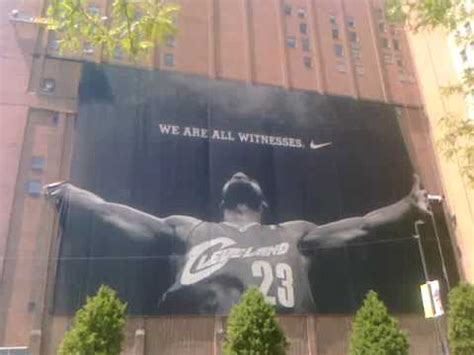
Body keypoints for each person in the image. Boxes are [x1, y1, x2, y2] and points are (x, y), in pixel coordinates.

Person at [44, 172, 430, 314]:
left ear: (262, 203)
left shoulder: (293, 233)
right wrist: (71, 195)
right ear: (224, 203)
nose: (240, 173)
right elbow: (112, 213)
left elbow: (362, 227)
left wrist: (408, 207)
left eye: (247, 177)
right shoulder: (190, 229)